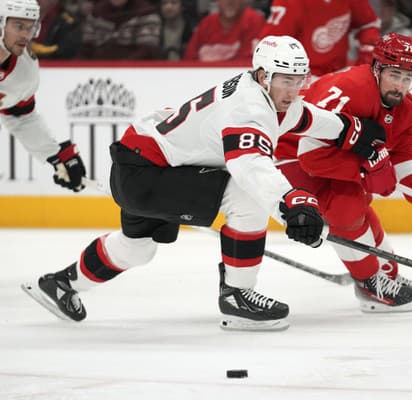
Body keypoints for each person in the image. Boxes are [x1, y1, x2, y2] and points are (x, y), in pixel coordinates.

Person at [22, 35, 386, 331]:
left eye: (298, 81)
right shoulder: (248, 108)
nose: (294, 89)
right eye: (286, 81)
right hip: (148, 173)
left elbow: (303, 115)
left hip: (144, 163)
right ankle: (237, 297)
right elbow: (250, 167)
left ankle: (59, 283)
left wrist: (350, 131)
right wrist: (290, 204)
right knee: (246, 198)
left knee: (138, 249)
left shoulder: (266, 94)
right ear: (263, 76)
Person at [275, 33, 412, 313]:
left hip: (320, 156)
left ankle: (386, 275)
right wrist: (367, 172)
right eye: (394, 75)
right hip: (286, 154)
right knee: (346, 203)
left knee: (355, 197)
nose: (400, 86)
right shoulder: (350, 90)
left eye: (408, 78)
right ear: (377, 68)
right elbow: (310, 156)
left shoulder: (409, 112)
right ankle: (369, 281)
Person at [0, 0, 86, 191]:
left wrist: (55, 156)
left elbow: (20, 115)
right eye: (19, 26)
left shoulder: (24, 72)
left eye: (30, 27)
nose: (26, 35)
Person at [259, 0, 381, 77]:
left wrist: (365, 63)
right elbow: (270, 45)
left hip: (339, 74)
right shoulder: (291, 3)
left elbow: (368, 24)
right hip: (301, 78)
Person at [183, 0, 264, 62]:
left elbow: (246, 60)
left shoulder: (253, 20)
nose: (229, 2)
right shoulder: (208, 22)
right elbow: (190, 57)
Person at [77, 0, 161, 60]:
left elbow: (147, 51)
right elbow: (86, 48)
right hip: (98, 72)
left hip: (134, 72)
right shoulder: (96, 13)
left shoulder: (147, 13)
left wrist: (121, 67)